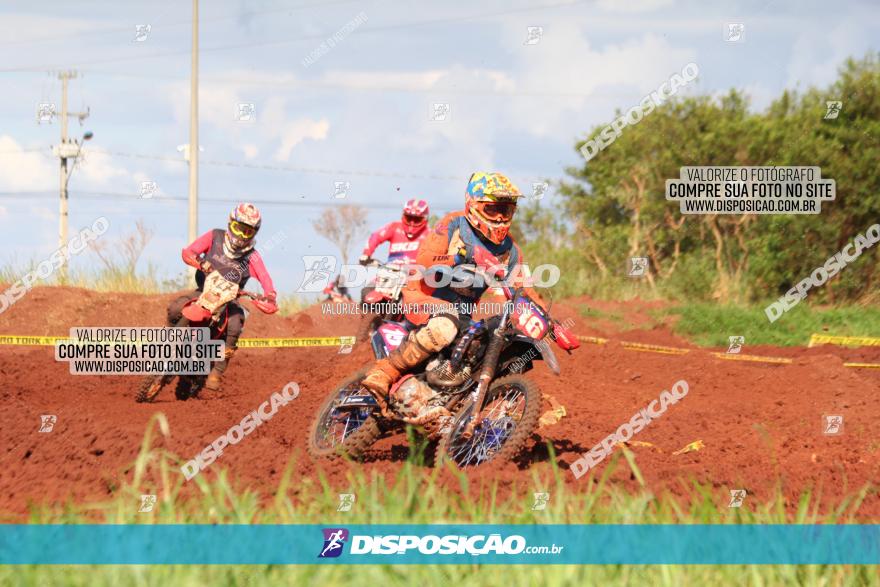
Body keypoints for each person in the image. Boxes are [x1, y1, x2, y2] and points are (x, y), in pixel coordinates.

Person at [360, 172, 579, 411]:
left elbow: (522, 291)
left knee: (484, 343)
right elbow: (423, 262)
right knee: (445, 325)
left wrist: (551, 325)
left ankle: (453, 403)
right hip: (423, 297)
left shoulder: (510, 250)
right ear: (473, 205)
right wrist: (460, 256)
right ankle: (384, 371)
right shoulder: (454, 224)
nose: (500, 216)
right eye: (493, 208)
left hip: (461, 313)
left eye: (506, 210)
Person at [166, 203, 278, 391]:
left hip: (229, 301)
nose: (241, 236)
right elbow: (189, 251)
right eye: (238, 228)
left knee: (235, 324)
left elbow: (265, 278)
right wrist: (199, 261)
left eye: (247, 232)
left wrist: (270, 297)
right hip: (203, 291)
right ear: (230, 223)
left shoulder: (252, 256)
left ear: (253, 234)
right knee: (176, 308)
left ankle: (216, 372)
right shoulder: (214, 237)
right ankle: (171, 336)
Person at [358, 198, 430, 267]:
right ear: (403, 216)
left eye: (417, 219)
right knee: (373, 279)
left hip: (416, 275)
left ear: (425, 219)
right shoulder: (394, 227)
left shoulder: (430, 234)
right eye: (409, 218)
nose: (412, 223)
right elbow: (375, 236)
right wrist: (366, 254)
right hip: (390, 271)